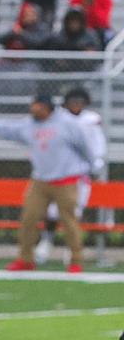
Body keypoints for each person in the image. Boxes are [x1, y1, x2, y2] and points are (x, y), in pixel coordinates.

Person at [0, 94, 98, 272]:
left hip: (67, 180)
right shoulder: (30, 124)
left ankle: (76, 260)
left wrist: (91, 166)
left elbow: (84, 146)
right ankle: (26, 259)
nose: (33, 110)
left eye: (37, 107)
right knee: (28, 219)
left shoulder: (67, 123)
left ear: (47, 108)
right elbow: (10, 129)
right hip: (40, 180)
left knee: (69, 221)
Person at [35, 87, 107, 265]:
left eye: (79, 101)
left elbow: (97, 145)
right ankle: (47, 240)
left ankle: (71, 249)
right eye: (73, 101)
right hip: (58, 172)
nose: (76, 105)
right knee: (52, 212)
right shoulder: (58, 119)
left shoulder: (90, 121)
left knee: (73, 213)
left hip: (79, 174)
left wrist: (94, 164)